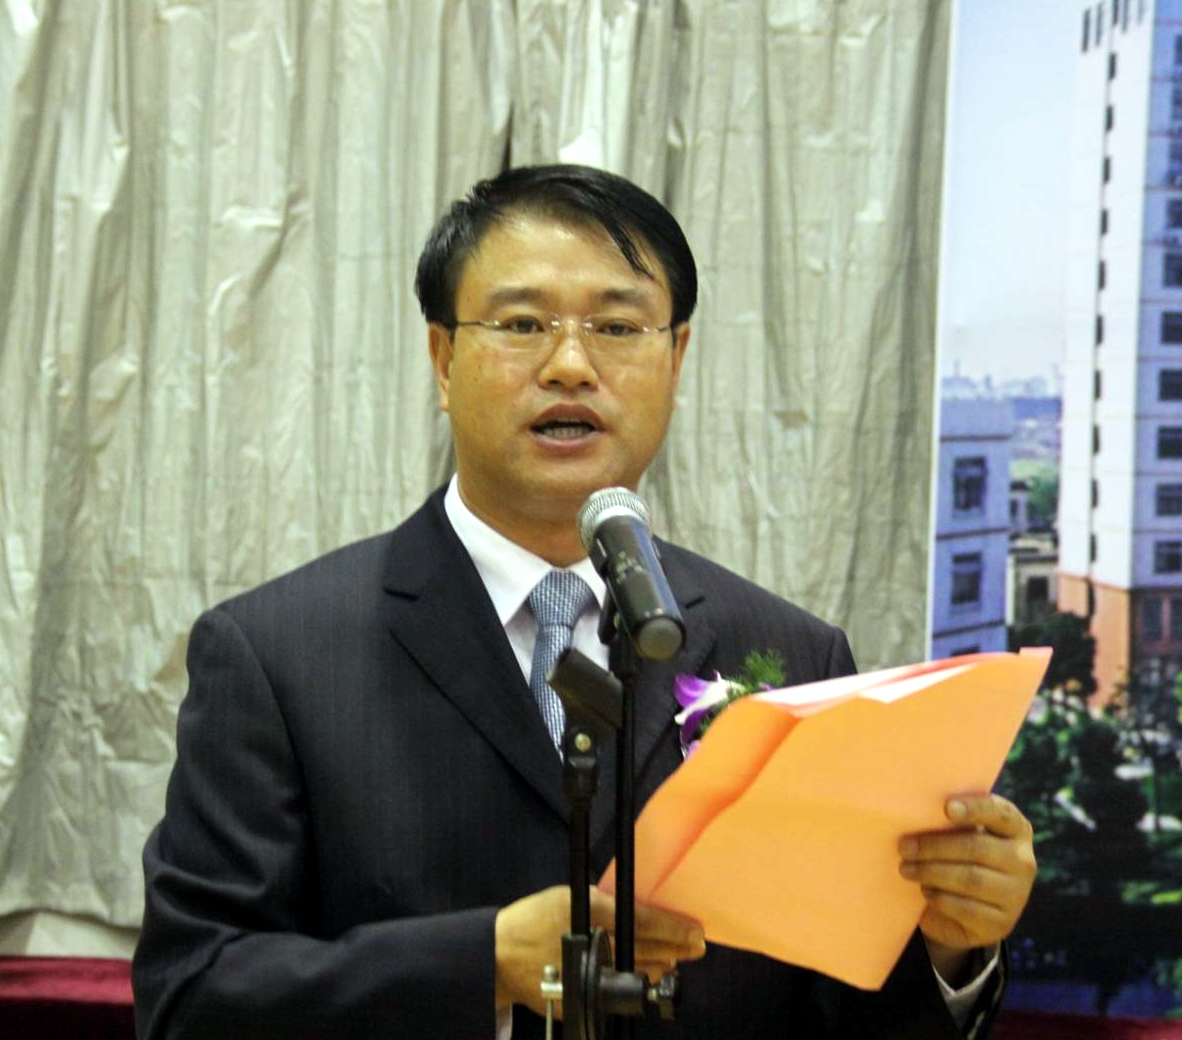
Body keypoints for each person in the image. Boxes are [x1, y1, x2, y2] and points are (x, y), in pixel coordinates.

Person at [132, 165, 1036, 1040]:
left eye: (617, 327)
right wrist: (481, 965)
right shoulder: (279, 654)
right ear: (443, 358)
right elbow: (192, 998)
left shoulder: (792, 655)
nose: (570, 365)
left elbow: (840, 1009)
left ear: (676, 357)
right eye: (523, 324)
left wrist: (951, 948)